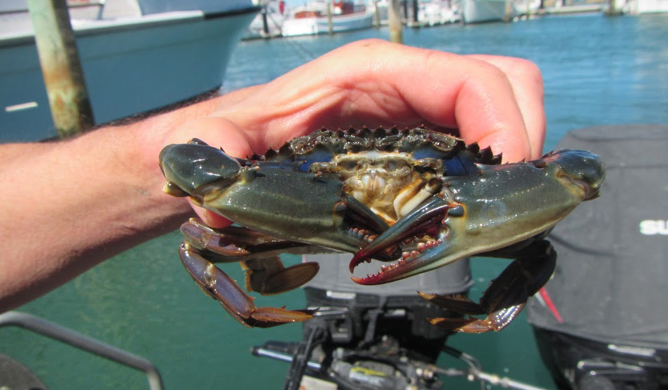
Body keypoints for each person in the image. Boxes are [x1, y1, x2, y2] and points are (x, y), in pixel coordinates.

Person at [0, 39, 545, 313]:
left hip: (451, 203)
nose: (377, 176)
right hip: (297, 204)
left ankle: (476, 312)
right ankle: (266, 278)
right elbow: (197, 210)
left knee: (536, 246)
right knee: (202, 239)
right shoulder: (276, 162)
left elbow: (576, 175)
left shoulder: (460, 160)